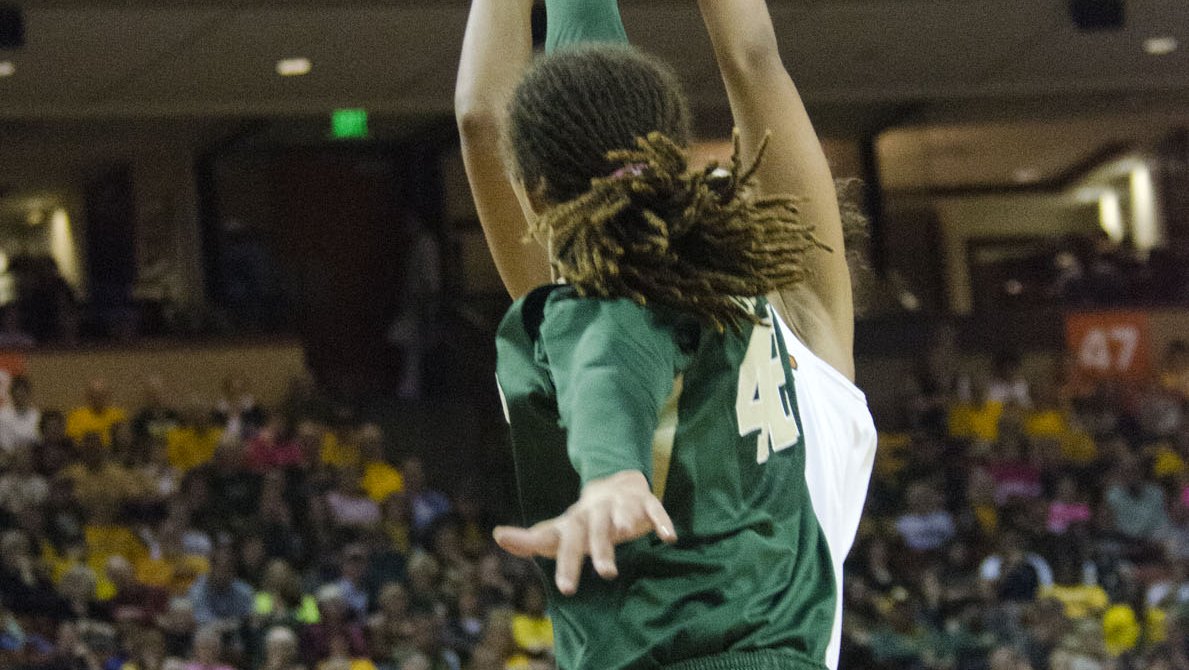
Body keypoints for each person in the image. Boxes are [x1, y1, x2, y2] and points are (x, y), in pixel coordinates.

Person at [455, 0, 877, 668]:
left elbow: (482, 120)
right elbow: (752, 55)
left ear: (536, 198)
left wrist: (612, 475)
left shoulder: (566, 315)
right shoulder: (807, 326)